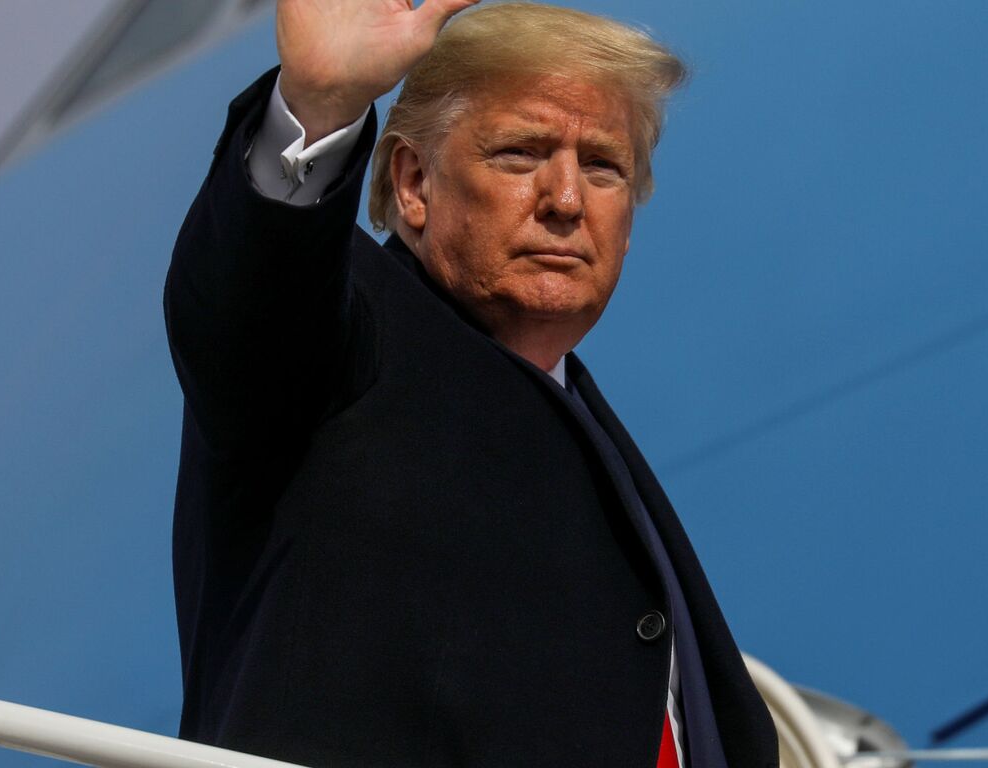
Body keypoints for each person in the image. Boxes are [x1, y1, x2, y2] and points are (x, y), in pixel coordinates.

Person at [163, 2, 777, 765]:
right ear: (414, 182)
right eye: (521, 153)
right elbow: (246, 300)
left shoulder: (576, 415)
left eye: (602, 166)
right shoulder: (338, 343)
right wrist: (319, 104)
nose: (565, 200)